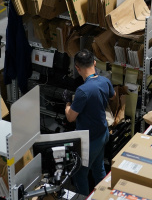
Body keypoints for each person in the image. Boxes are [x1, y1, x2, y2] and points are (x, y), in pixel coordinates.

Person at [65, 49, 114, 195]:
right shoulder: (105, 81)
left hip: (90, 140)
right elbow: (113, 95)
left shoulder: (82, 91)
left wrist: (67, 102)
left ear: (77, 68)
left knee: (80, 174)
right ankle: (103, 195)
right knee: (99, 169)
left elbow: (70, 117)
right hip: (103, 133)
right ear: (94, 62)